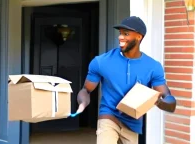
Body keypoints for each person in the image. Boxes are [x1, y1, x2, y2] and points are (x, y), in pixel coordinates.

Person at [73, 16, 175, 144]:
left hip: (133, 122)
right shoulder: (101, 62)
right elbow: (86, 90)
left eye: (126, 34)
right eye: (120, 33)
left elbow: (169, 100)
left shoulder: (153, 67)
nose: (120, 37)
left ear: (139, 37)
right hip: (108, 116)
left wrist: (158, 102)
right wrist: (82, 104)